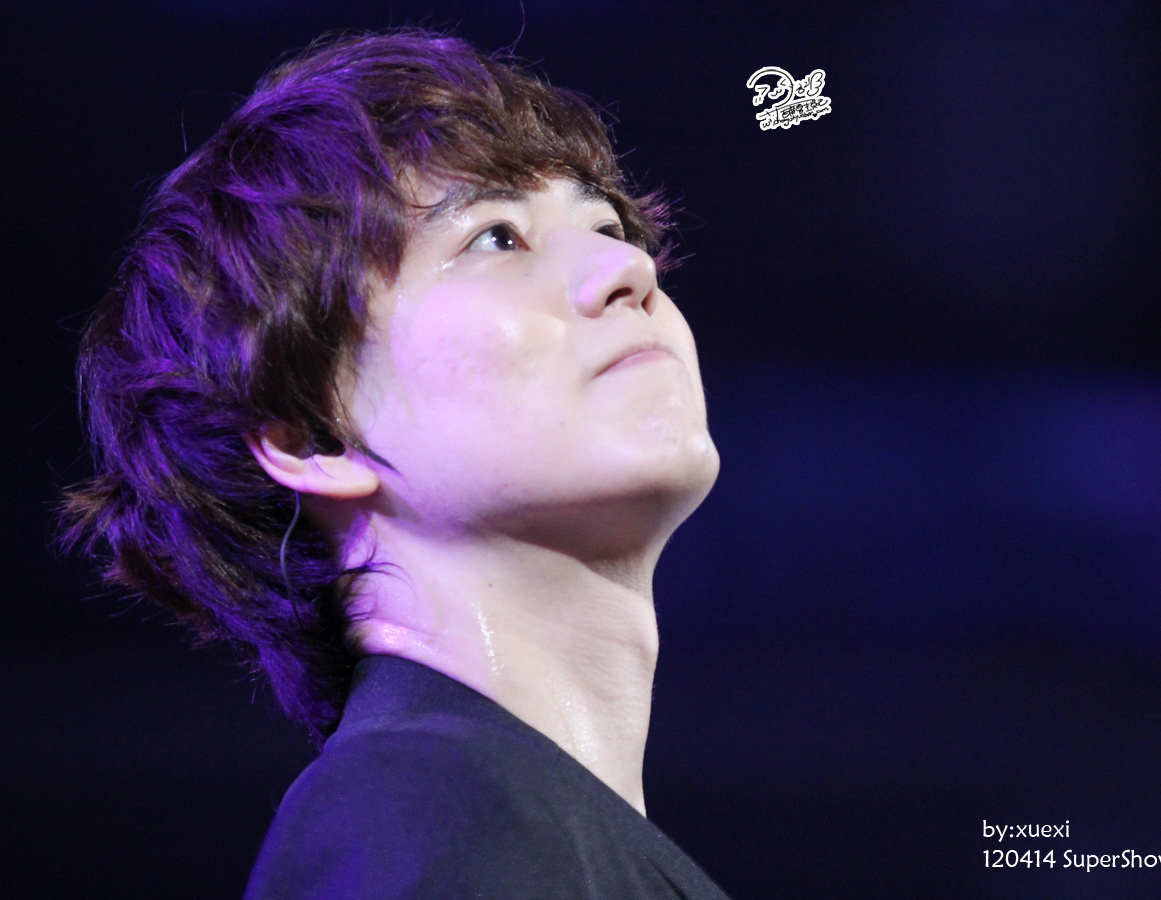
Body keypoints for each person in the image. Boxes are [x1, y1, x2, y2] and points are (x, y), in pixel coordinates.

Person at [61, 29, 727, 899]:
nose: (626, 265)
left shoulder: (488, 816)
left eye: (605, 224)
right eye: (496, 238)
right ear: (311, 437)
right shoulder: (422, 809)